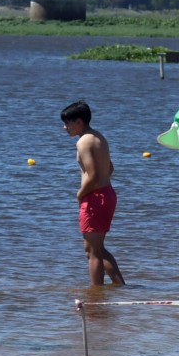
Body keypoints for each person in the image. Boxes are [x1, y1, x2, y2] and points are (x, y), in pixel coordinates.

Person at [62, 100, 124, 285]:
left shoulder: (83, 142)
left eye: (67, 123)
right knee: (95, 249)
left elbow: (94, 175)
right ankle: (119, 286)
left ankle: (96, 295)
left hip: (95, 197)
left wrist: (80, 194)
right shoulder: (98, 137)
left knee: (93, 252)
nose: (65, 128)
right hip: (107, 194)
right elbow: (109, 168)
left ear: (79, 122)